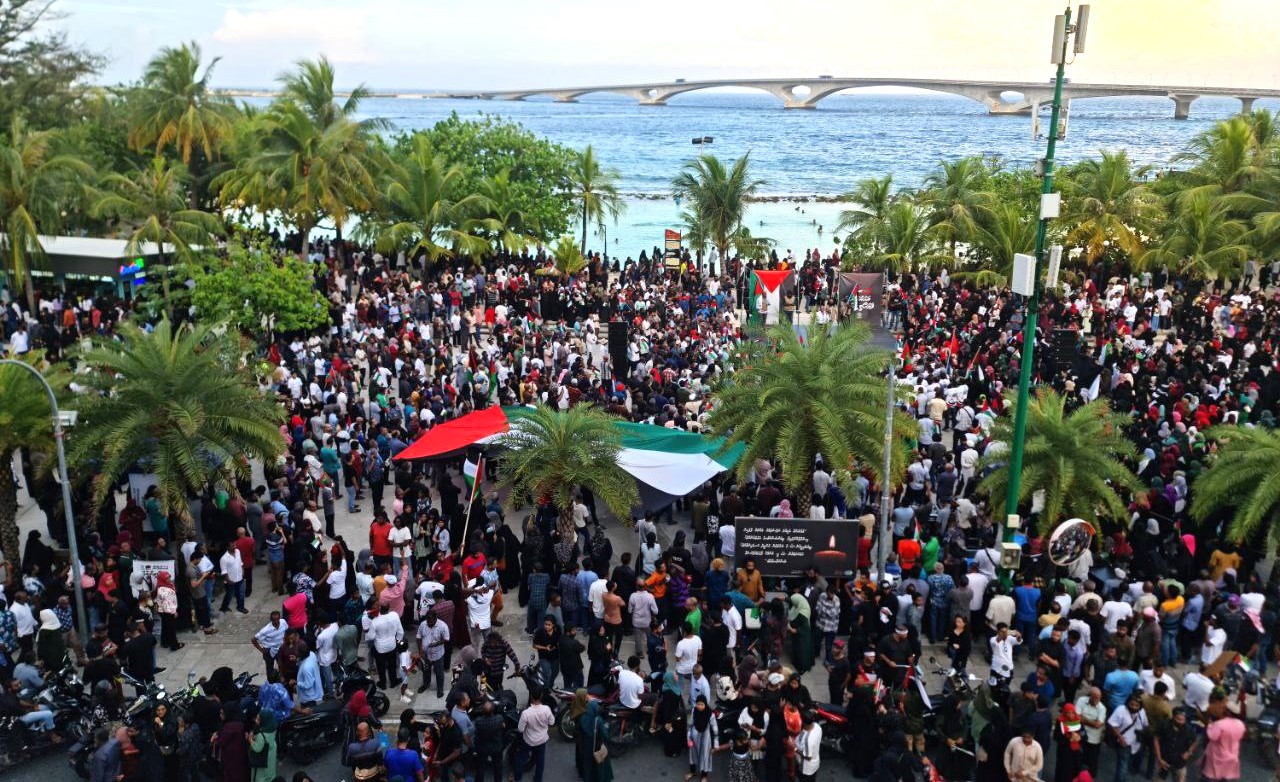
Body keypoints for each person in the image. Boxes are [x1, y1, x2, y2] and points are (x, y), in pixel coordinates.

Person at [515, 688, 554, 782]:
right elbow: (552, 722)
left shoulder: (526, 713)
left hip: (528, 740)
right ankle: (538, 779)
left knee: (521, 759)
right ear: (541, 697)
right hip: (542, 740)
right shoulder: (546, 710)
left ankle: (518, 778)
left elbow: (520, 729)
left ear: (531, 697)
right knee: (540, 760)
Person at [212, 702, 250, 782]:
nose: (220, 715)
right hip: (241, 755)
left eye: (222, 713)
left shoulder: (228, 727)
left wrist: (214, 739)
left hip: (230, 757)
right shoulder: (241, 723)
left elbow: (221, 742)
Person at [578, 699, 613, 782]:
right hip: (597, 747)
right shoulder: (598, 720)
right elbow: (606, 736)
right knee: (599, 766)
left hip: (586, 747)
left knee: (588, 766)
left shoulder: (583, 718)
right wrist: (607, 726)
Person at [686, 695, 719, 782]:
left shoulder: (710, 715)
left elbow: (715, 730)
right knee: (692, 756)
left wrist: (715, 745)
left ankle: (704, 776)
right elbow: (690, 724)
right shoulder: (694, 710)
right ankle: (692, 771)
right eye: (698, 704)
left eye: (702, 704)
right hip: (694, 737)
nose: (699, 706)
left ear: (705, 704)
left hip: (705, 739)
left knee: (705, 757)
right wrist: (688, 736)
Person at [247, 710, 278, 782]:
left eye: (258, 719)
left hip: (263, 757)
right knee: (270, 771)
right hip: (271, 753)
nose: (256, 721)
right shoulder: (272, 727)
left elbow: (257, 748)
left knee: (262, 776)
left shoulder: (261, 735)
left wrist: (250, 740)